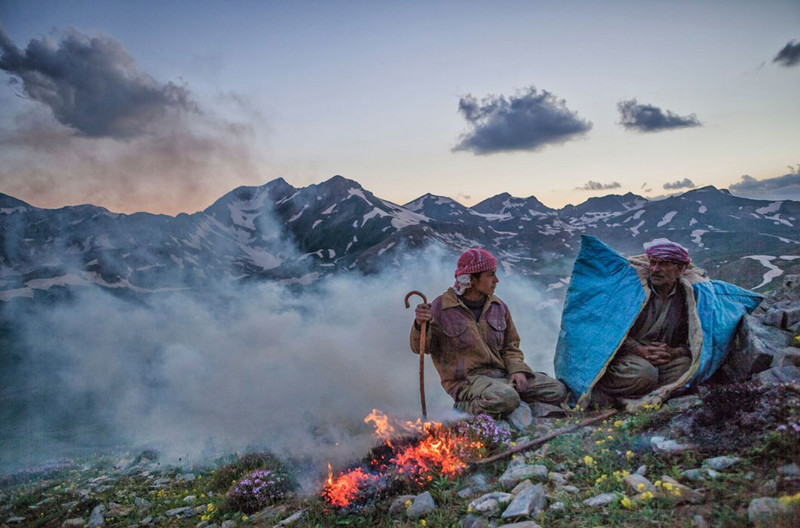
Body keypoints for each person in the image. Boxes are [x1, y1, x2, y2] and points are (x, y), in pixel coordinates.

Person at [411, 248, 568, 417]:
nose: (496, 280)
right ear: (471, 278)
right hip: (468, 382)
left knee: (557, 390)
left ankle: (507, 401)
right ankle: (464, 408)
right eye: (490, 274)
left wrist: (517, 370)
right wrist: (420, 324)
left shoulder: (498, 307)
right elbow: (420, 348)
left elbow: (510, 347)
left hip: (502, 376)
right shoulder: (441, 308)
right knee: (506, 397)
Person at [594, 239, 694, 400]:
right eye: (653, 263)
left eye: (663, 264)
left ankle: (638, 395)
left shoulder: (685, 298)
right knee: (644, 374)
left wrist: (672, 353)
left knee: (684, 367)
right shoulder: (635, 291)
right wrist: (639, 350)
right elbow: (611, 331)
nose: (655, 269)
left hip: (660, 358)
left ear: (680, 269)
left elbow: (691, 339)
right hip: (626, 357)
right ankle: (606, 392)